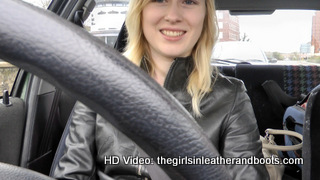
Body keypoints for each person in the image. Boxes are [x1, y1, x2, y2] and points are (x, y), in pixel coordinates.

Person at [53, 0, 269, 179]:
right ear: (140, 11)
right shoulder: (98, 83)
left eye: (189, 1)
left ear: (204, 16)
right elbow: (72, 174)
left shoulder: (231, 96)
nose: (173, 15)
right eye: (159, 0)